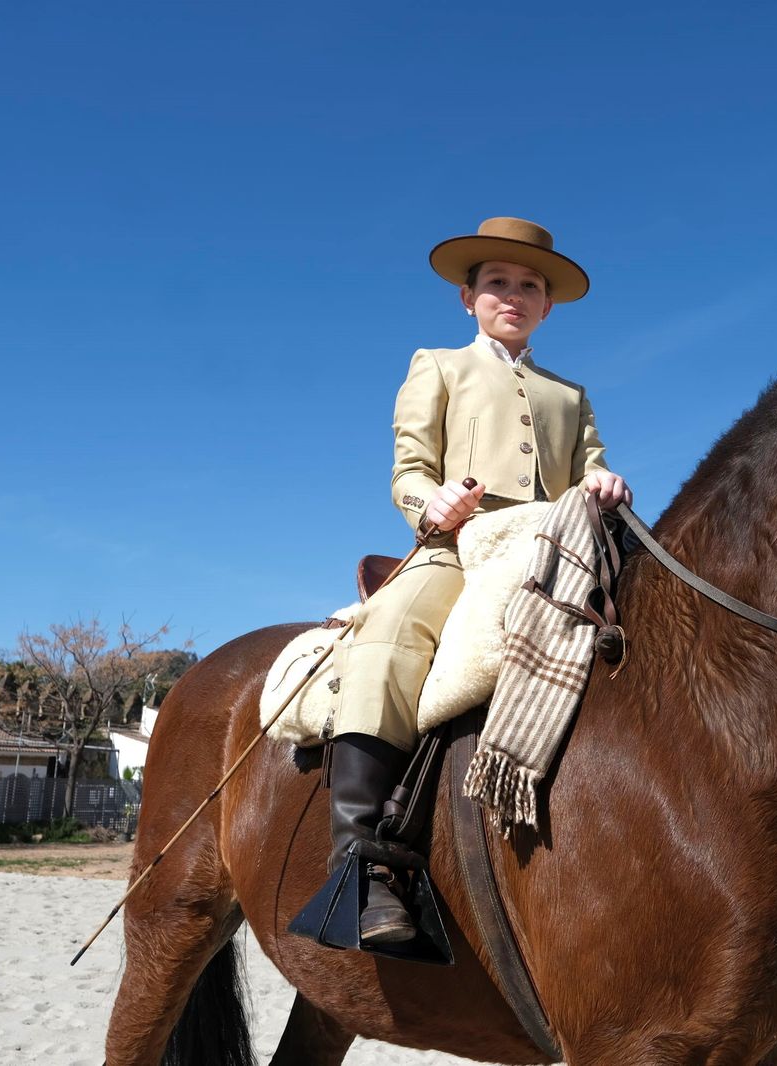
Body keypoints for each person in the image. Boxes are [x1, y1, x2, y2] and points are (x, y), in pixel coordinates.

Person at [293, 217, 633, 947]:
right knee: (389, 639)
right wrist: (432, 502)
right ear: (468, 298)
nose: (513, 295)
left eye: (529, 287)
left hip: (554, 545)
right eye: (498, 283)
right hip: (457, 546)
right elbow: (408, 469)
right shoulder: (439, 366)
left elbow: (593, 465)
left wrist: (603, 481)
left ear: (547, 306)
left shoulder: (568, 395)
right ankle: (361, 862)